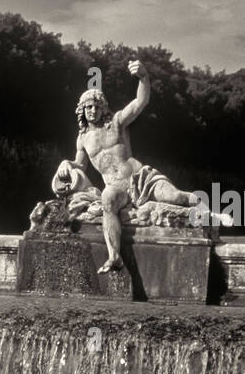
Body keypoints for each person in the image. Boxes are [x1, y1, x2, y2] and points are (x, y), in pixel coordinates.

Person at [54, 61, 200, 273]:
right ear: (82, 110)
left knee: (176, 198)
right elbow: (80, 165)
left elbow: (140, 102)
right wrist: (65, 163)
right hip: (116, 187)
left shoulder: (116, 122)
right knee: (107, 199)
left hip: (139, 178)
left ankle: (205, 207)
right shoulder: (83, 138)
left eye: (96, 106)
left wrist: (144, 78)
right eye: (88, 107)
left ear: (103, 108)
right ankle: (114, 257)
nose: (92, 110)